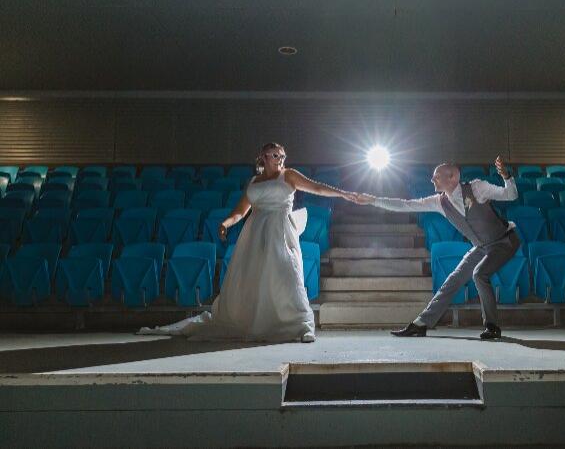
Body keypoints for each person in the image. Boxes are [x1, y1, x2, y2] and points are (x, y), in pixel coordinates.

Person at [138, 142, 359, 342]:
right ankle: (258, 321)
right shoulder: (253, 181)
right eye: (274, 155)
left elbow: (316, 187)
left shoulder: (289, 175)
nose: (280, 158)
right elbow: (241, 211)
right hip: (254, 232)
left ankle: (302, 326)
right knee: (255, 276)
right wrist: (226, 223)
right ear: (263, 157)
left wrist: (342, 194)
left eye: (282, 155)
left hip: (279, 230)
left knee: (287, 274)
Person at [355, 156, 519, 340]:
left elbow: (511, 195)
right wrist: (373, 200)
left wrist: (506, 176)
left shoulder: (477, 187)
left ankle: (492, 326)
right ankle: (421, 324)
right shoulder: (439, 202)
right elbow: (406, 205)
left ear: (453, 177)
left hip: (504, 241)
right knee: (453, 280)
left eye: (437, 176)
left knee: (479, 274)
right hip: (481, 246)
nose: (432, 180)